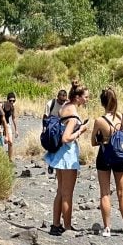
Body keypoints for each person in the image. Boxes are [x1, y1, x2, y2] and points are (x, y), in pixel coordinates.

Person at [45, 79, 89, 236]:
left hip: (58, 155)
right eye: (86, 97)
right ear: (78, 97)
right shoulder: (73, 113)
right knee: (67, 193)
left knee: (60, 191)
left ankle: (56, 224)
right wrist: (81, 130)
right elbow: (66, 137)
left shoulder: (64, 107)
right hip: (68, 155)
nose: (87, 99)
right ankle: (68, 227)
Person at [91, 88, 123, 237]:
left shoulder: (99, 121)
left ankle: (107, 228)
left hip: (104, 155)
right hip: (120, 156)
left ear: (102, 102)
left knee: (104, 193)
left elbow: (93, 142)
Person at [43, 89, 68, 176]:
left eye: (64, 100)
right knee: (52, 145)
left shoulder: (66, 104)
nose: (62, 102)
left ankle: (57, 165)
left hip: (62, 127)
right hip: (52, 127)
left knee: (61, 146)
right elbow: (45, 116)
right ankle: (51, 164)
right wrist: (44, 129)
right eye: (61, 100)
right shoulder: (50, 103)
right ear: (57, 97)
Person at [1, 92, 19, 161]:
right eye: (10, 100)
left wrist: (16, 130)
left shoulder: (12, 107)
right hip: (0, 124)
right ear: (7, 100)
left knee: (10, 142)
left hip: (7, 124)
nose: (12, 102)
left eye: (13, 101)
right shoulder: (2, 105)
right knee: (0, 142)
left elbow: (13, 118)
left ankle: (10, 159)